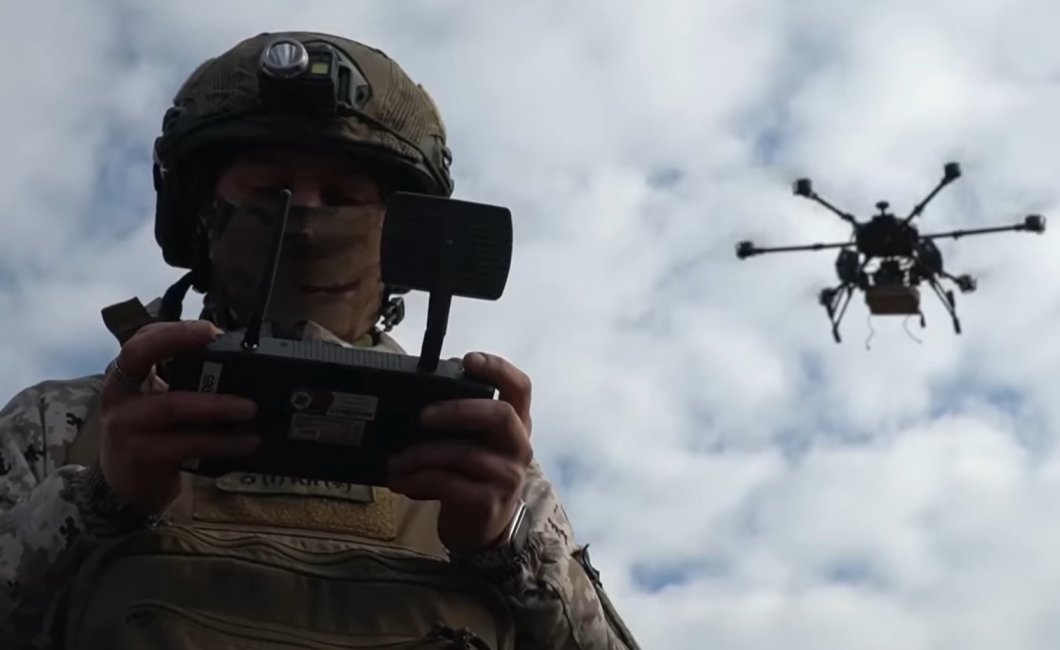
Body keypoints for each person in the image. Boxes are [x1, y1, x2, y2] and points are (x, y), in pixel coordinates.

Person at [0, 31, 641, 650]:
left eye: (341, 196)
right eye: (269, 190)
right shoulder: (66, 426)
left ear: (408, 239)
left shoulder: (474, 454)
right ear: (199, 213)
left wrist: (508, 547)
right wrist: (98, 502)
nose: (304, 218)